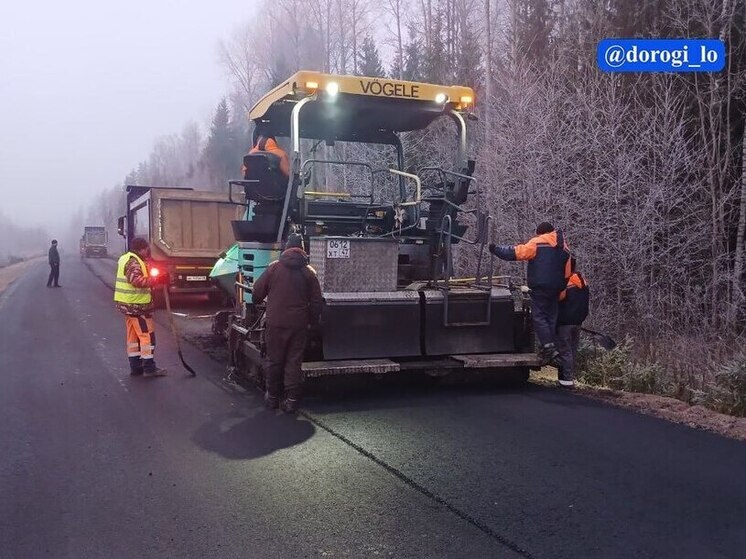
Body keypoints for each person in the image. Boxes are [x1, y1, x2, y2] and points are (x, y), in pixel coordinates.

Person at [252, 233, 323, 413]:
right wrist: (311, 322)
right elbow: (316, 301)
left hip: (275, 322)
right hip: (298, 325)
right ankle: (291, 400)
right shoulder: (309, 272)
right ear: (302, 249)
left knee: (274, 360)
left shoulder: (274, 268)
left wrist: (258, 302)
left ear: (286, 248)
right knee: (293, 361)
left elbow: (257, 292)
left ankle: (272, 398)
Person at [489, 222, 570, 365]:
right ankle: (550, 347)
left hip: (540, 287)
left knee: (539, 317)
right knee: (551, 318)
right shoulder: (563, 246)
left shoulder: (537, 243)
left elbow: (515, 252)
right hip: (557, 288)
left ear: (540, 233)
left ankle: (548, 347)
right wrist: (562, 291)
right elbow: (567, 272)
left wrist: (496, 249)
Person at [114, 237, 168, 377]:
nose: (147, 251)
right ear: (141, 249)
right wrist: (158, 280)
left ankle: (136, 367)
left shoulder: (126, 258)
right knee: (147, 336)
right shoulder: (133, 261)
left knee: (133, 337)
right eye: (146, 249)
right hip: (137, 306)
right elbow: (136, 280)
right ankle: (149, 368)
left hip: (128, 305)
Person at [556, 258, 590, 388]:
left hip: (565, 322)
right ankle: (568, 378)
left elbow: (557, 299)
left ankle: (567, 380)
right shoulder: (583, 283)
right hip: (578, 322)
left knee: (565, 351)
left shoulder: (565, 284)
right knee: (572, 350)